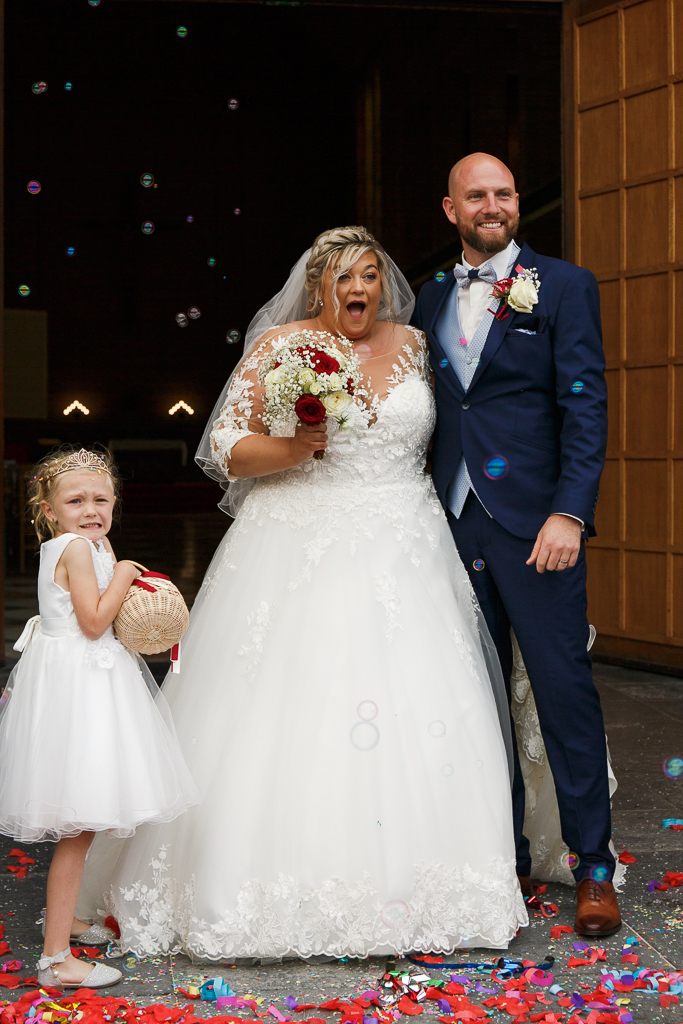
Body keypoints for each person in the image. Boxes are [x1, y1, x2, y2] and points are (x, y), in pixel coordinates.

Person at [77, 226, 527, 960]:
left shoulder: (416, 346)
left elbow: (470, 427)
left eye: (370, 276)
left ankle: (433, 890)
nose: (359, 289)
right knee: (287, 704)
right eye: (344, 277)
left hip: (404, 545)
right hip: (297, 535)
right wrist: (293, 447)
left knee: (423, 707)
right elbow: (224, 447)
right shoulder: (280, 347)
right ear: (319, 284)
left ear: (383, 285)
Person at [413, 154, 619, 937]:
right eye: (476, 195)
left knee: (563, 690)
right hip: (446, 524)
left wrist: (570, 514)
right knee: (474, 701)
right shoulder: (428, 296)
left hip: (538, 529)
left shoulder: (563, 285)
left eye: (503, 193)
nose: (493, 205)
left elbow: (585, 407)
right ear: (450, 208)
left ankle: (591, 867)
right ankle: (499, 859)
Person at [0, 448, 198, 989]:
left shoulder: (78, 546)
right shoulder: (81, 551)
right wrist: (126, 575)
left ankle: (72, 922)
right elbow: (92, 622)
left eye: (101, 499)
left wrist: (114, 564)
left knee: (84, 817)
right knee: (80, 822)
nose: (91, 509)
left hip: (82, 680)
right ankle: (55, 959)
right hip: (83, 688)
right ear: (48, 508)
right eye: (75, 500)